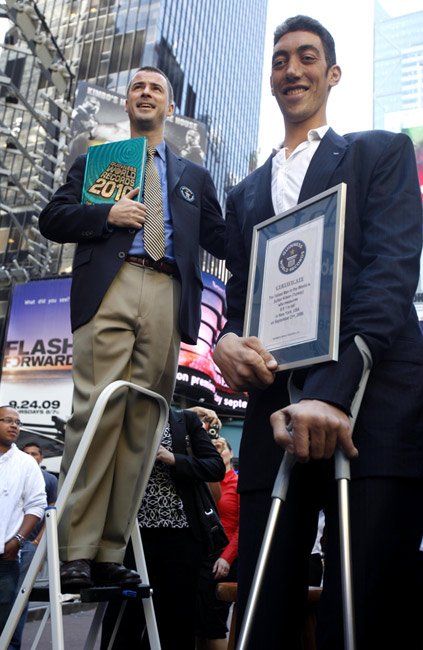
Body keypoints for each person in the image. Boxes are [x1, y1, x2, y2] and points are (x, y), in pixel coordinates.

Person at [213, 15, 423, 650]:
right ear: (271, 81)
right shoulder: (243, 194)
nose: (292, 69)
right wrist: (227, 343)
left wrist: (332, 392)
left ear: (332, 74)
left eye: (307, 57)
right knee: (263, 604)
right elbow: (241, 302)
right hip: (273, 415)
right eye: (280, 60)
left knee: (365, 604)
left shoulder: (381, 152)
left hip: (373, 406)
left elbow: (390, 274)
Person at [39, 66, 226, 590]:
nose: (146, 93)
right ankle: (74, 548)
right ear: (127, 103)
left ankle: (108, 550)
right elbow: (53, 218)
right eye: (138, 87)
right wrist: (105, 215)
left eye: (156, 89)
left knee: (144, 425)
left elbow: (222, 237)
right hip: (112, 285)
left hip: (168, 293)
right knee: (98, 414)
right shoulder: (98, 160)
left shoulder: (194, 177)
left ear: (169, 107)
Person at [100, 408, 225, 650]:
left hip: (181, 535)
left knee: (175, 617)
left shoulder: (184, 420)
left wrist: (173, 458)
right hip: (132, 536)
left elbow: (215, 467)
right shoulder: (125, 414)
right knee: (124, 614)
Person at [0, 407, 47, 642]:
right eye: (8, 420)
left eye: (18, 422)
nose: (14, 426)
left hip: (6, 557)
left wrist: (17, 541)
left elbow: (37, 505)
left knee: (6, 619)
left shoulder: (26, 463)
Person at [9, 444, 59, 649]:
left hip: (29, 545)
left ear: (41, 458)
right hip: (8, 543)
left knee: (19, 595)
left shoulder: (49, 480)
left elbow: (51, 512)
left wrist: (38, 543)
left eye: (34, 454)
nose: (30, 456)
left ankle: (12, 644)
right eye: (26, 453)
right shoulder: (13, 473)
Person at [196, 437, 239, 650]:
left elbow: (244, 527)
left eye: (221, 448)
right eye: (212, 449)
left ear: (231, 453)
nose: (217, 452)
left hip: (223, 558)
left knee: (213, 624)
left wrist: (227, 558)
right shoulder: (203, 482)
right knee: (198, 624)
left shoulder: (238, 483)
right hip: (202, 556)